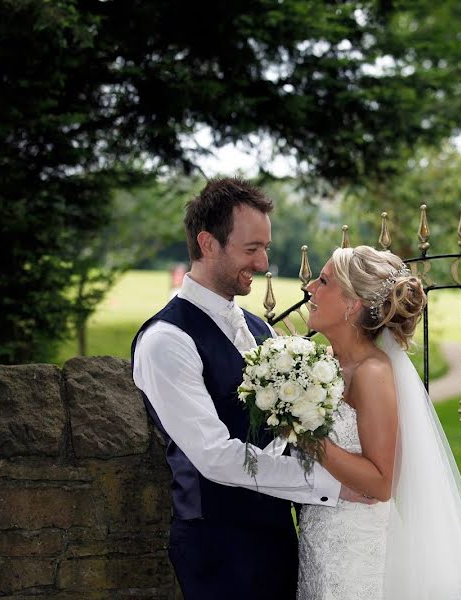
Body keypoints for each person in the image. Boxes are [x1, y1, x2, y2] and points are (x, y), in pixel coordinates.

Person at [131, 178, 366, 600]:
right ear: (207, 243)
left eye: (266, 248)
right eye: (250, 249)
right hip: (218, 550)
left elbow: (281, 434)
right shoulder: (167, 340)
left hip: (276, 537)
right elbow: (215, 456)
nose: (262, 263)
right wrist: (330, 484)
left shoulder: (258, 327)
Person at [298, 245, 461, 599]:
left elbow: (382, 483)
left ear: (352, 305)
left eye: (323, 281)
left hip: (355, 552)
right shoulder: (327, 365)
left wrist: (308, 439)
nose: (310, 289)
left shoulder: (372, 372)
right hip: (321, 542)